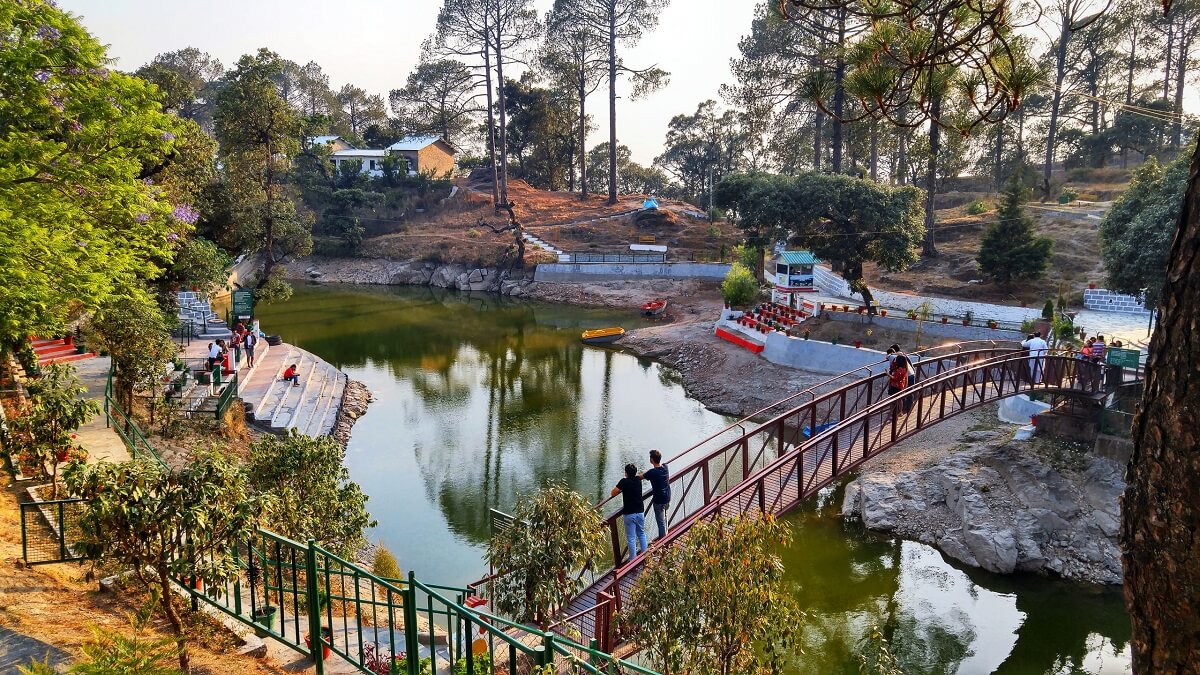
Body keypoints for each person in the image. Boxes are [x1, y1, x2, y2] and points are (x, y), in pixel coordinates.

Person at [610, 464, 647, 561]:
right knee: (641, 534)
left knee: (631, 538)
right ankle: (645, 557)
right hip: (640, 512)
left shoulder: (624, 482)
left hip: (629, 514)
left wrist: (621, 489)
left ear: (626, 473)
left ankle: (633, 560)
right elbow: (643, 475)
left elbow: (613, 493)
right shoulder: (638, 479)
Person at [640, 450, 671, 541]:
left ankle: (664, 543)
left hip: (659, 500)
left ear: (652, 460)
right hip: (668, 497)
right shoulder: (665, 467)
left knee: (661, 522)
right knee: (665, 518)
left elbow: (640, 477)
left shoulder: (652, 472)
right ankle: (667, 537)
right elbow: (663, 464)